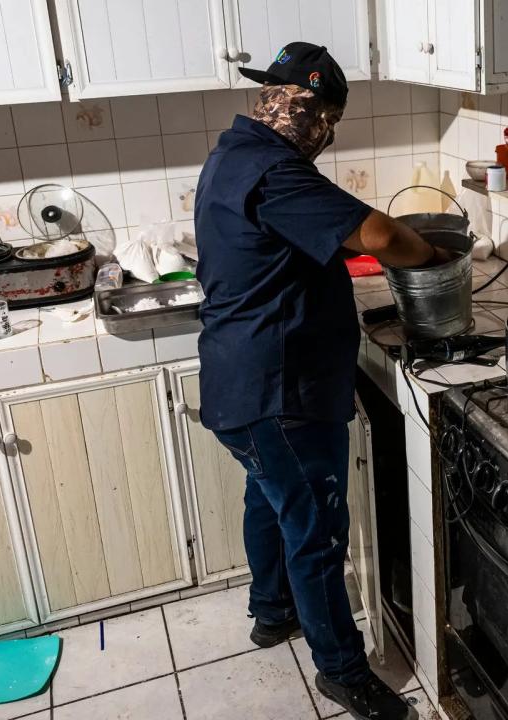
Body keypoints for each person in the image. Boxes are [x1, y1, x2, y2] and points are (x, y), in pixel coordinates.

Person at [193, 42, 443, 720]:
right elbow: (384, 236)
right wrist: (436, 256)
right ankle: (343, 672)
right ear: (302, 111)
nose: (315, 127)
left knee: (269, 499)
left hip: (240, 384)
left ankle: (272, 611)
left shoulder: (232, 151)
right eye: (317, 113)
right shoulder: (276, 172)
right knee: (317, 532)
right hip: (280, 392)